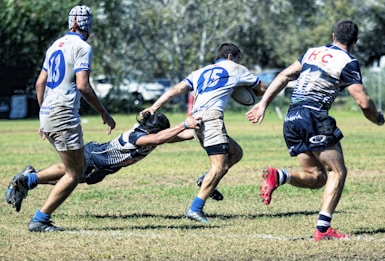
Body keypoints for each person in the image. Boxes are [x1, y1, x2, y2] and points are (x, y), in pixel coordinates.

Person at [245, 20, 385, 241]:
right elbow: (364, 102)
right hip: (314, 116)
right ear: (355, 41)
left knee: (317, 177)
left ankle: (280, 176)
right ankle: (323, 230)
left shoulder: (312, 52)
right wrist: (377, 119)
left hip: (292, 117)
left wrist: (262, 104)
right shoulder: (348, 61)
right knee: (337, 172)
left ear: (333, 36)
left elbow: (283, 75)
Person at [5, 5, 116, 232]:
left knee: (75, 166)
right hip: (64, 113)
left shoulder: (55, 45)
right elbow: (83, 86)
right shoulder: (83, 47)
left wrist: (43, 114)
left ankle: (28, 180)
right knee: (75, 174)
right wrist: (103, 112)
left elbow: (40, 83)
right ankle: (40, 219)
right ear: (88, 25)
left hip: (48, 113)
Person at [142, 43, 267, 223]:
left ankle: (205, 179)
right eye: (238, 58)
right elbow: (263, 88)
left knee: (236, 152)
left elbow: (176, 90)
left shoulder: (200, 72)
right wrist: (247, 90)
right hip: (211, 119)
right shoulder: (236, 68)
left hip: (196, 119)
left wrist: (155, 106)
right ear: (231, 56)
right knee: (220, 167)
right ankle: (195, 208)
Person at [6, 112, 202, 226]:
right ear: (152, 130)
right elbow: (161, 138)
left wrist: (199, 125)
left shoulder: (153, 136)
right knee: (70, 175)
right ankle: (28, 179)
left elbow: (183, 136)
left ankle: (30, 178)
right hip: (95, 157)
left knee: (68, 181)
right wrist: (184, 124)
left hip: (102, 167)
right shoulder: (139, 137)